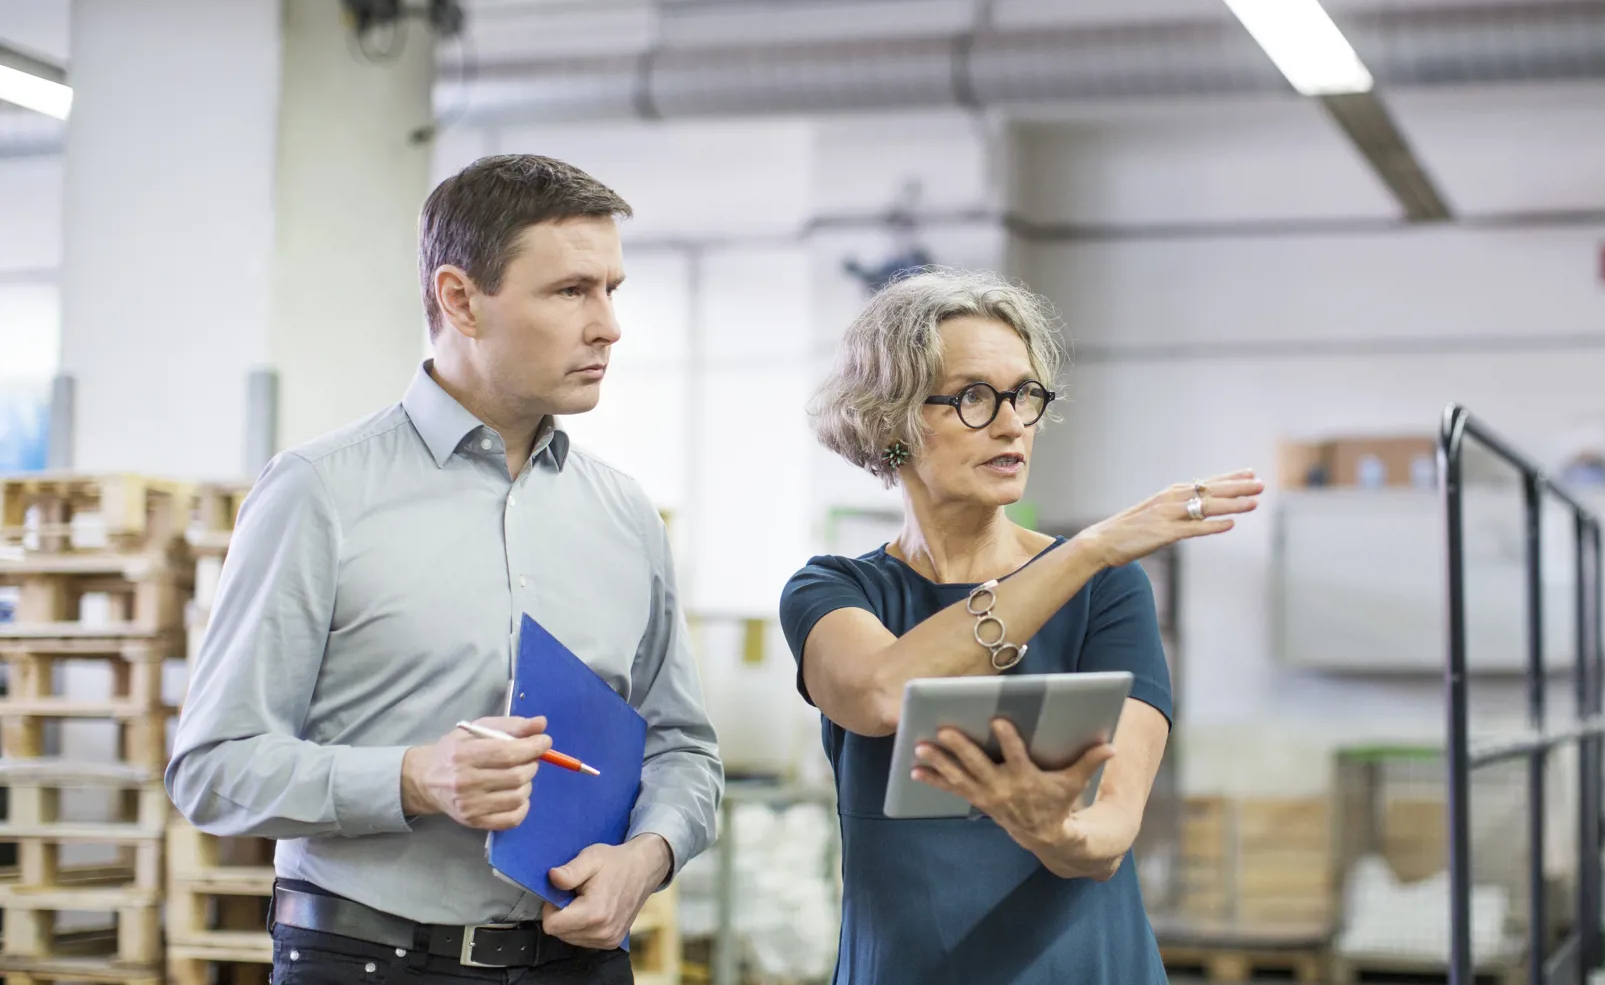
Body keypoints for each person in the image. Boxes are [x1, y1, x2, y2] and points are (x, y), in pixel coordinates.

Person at [167, 154, 723, 984]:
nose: (608, 325)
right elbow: (213, 768)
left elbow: (683, 746)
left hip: (578, 962)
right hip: (370, 961)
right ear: (461, 299)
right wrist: (414, 777)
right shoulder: (320, 494)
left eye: (613, 289)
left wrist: (646, 858)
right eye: (572, 291)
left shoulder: (625, 515)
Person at [779, 268, 1264, 984]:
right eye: (974, 397)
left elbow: (1108, 836)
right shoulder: (835, 590)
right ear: (891, 423)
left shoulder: (1109, 591)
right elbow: (881, 696)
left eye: (1025, 395)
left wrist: (1055, 830)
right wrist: (1092, 545)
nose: (1012, 423)